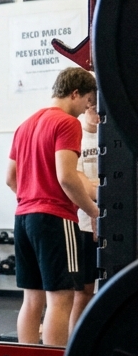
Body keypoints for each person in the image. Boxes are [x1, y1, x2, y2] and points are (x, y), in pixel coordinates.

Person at [7, 67, 98, 356]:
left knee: (32, 300)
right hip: (54, 218)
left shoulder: (25, 124)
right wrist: (92, 210)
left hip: (23, 217)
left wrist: (31, 198)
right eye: (86, 100)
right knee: (60, 298)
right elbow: (67, 176)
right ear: (75, 92)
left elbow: (10, 178)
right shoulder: (66, 122)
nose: (85, 108)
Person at [69, 104, 100, 334]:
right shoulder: (76, 134)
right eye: (93, 108)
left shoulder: (111, 133)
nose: (98, 114)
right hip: (84, 223)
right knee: (84, 291)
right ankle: (73, 343)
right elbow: (77, 181)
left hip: (114, 221)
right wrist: (103, 193)